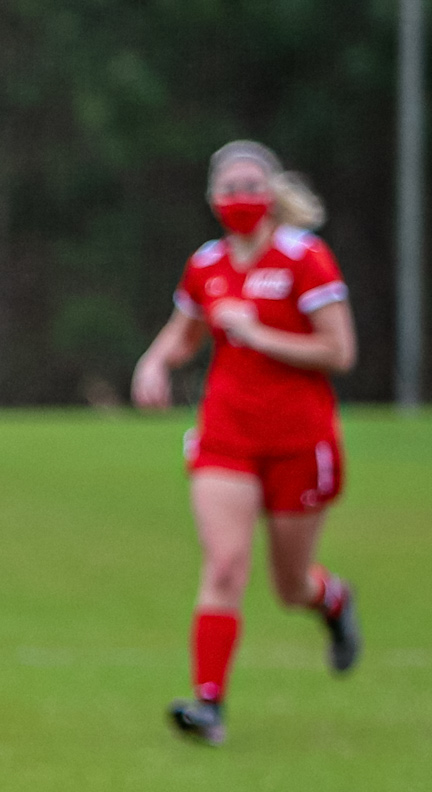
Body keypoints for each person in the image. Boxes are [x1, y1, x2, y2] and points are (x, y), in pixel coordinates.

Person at [131, 140, 361, 746]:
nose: (241, 198)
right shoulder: (206, 264)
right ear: (213, 199)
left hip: (298, 441)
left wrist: (258, 334)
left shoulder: (304, 258)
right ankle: (209, 706)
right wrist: (155, 363)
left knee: (290, 586)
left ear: (272, 192)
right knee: (226, 565)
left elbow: (339, 352)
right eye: (229, 189)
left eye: (251, 186)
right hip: (227, 436)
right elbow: (185, 335)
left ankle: (332, 600)